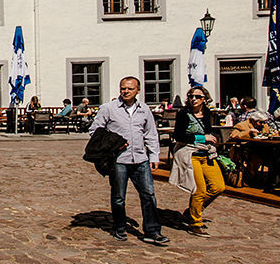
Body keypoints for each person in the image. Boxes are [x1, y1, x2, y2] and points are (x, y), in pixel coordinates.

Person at [89, 76, 169, 245]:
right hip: (119, 160)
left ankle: (153, 231)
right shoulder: (108, 109)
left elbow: (151, 134)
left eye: (130, 89)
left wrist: (154, 155)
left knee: (149, 195)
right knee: (119, 197)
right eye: (123, 88)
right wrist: (112, 143)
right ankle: (119, 228)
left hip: (140, 158)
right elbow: (94, 131)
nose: (125, 91)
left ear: (137, 90)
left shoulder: (144, 109)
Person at [170, 87, 224, 237]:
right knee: (199, 190)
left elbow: (208, 131)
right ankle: (195, 223)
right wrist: (202, 138)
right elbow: (179, 136)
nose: (193, 99)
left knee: (218, 186)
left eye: (197, 97)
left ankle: (193, 210)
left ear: (204, 99)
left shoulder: (207, 113)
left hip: (206, 153)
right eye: (191, 96)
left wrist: (211, 138)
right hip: (189, 153)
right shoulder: (183, 114)